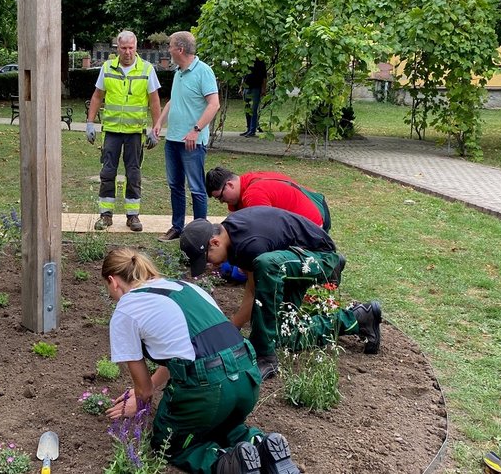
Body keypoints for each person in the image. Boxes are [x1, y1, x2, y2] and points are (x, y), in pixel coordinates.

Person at [101, 247, 301, 474]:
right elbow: (181, 351)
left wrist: (139, 408)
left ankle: (228, 464)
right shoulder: (187, 287)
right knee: (221, 424)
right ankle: (262, 445)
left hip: (208, 388)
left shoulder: (126, 309)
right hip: (247, 375)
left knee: (170, 445)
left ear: (113, 281)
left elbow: (144, 391)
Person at [178, 207, 381, 380]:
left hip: (319, 257)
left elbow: (256, 289)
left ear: (214, 242)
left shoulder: (250, 244)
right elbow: (252, 288)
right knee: (282, 335)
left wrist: (233, 329)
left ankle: (265, 356)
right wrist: (233, 328)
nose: (210, 264)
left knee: (267, 265)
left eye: (207, 258)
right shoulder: (232, 233)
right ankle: (358, 318)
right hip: (292, 259)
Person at [86, 30, 162, 232]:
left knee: (133, 174)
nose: (127, 52)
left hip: (135, 132)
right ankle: (105, 215)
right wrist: (89, 123)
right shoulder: (107, 68)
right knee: (107, 172)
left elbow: (154, 101)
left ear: (136, 48)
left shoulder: (146, 69)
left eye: (131, 48)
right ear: (117, 48)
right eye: (123, 48)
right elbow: (97, 96)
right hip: (111, 131)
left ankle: (133, 216)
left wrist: (156, 128)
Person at [153, 31, 219, 242]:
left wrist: (196, 130)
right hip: (173, 140)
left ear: (180, 49)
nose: (169, 50)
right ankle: (177, 227)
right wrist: (159, 122)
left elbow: (214, 104)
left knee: (197, 187)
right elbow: (174, 101)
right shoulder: (178, 73)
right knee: (175, 185)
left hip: (192, 142)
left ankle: (201, 233)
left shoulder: (203, 71)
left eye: (171, 46)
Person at [205, 166, 330, 232]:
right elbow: (233, 222)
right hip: (311, 217)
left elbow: (264, 231)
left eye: (220, 197)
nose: (222, 202)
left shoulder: (253, 194)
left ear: (230, 185)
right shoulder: (245, 181)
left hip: (311, 229)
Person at [240, 60, 267, 137]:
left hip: (256, 88)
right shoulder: (246, 59)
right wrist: (241, 86)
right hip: (247, 87)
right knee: (247, 109)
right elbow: (244, 75)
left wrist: (263, 89)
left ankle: (252, 130)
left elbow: (264, 77)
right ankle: (248, 128)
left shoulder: (261, 62)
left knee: (253, 109)